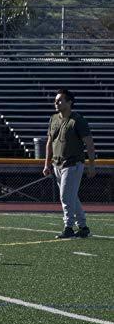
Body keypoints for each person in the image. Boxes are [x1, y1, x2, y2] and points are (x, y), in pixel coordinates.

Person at [43, 88, 96, 239]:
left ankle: (68, 227)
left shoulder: (77, 120)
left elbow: (89, 143)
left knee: (66, 197)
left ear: (69, 102)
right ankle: (83, 227)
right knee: (72, 197)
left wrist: (92, 165)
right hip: (57, 164)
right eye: (56, 100)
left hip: (73, 164)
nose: (56, 102)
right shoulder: (53, 118)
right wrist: (46, 164)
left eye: (60, 100)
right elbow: (49, 142)